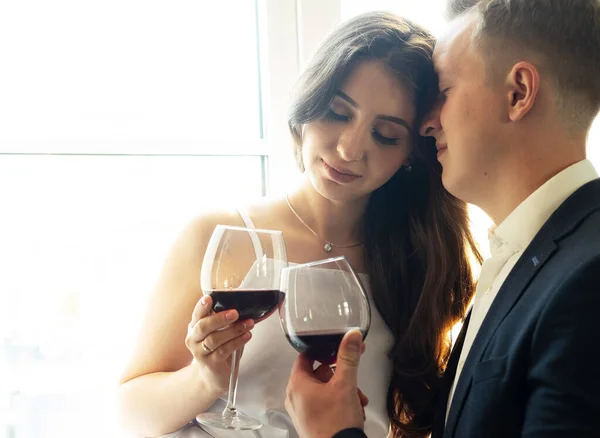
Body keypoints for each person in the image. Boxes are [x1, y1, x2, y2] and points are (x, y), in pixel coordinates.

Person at [118, 11, 480, 438]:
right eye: (337, 113)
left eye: (385, 134)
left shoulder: (420, 260)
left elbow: (412, 425)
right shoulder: (221, 238)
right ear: (309, 104)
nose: (349, 149)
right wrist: (205, 379)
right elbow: (131, 414)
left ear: (411, 155)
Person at [285, 0, 600, 437]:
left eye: (446, 92)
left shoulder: (588, 278)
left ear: (519, 92)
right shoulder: (528, 257)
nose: (427, 124)